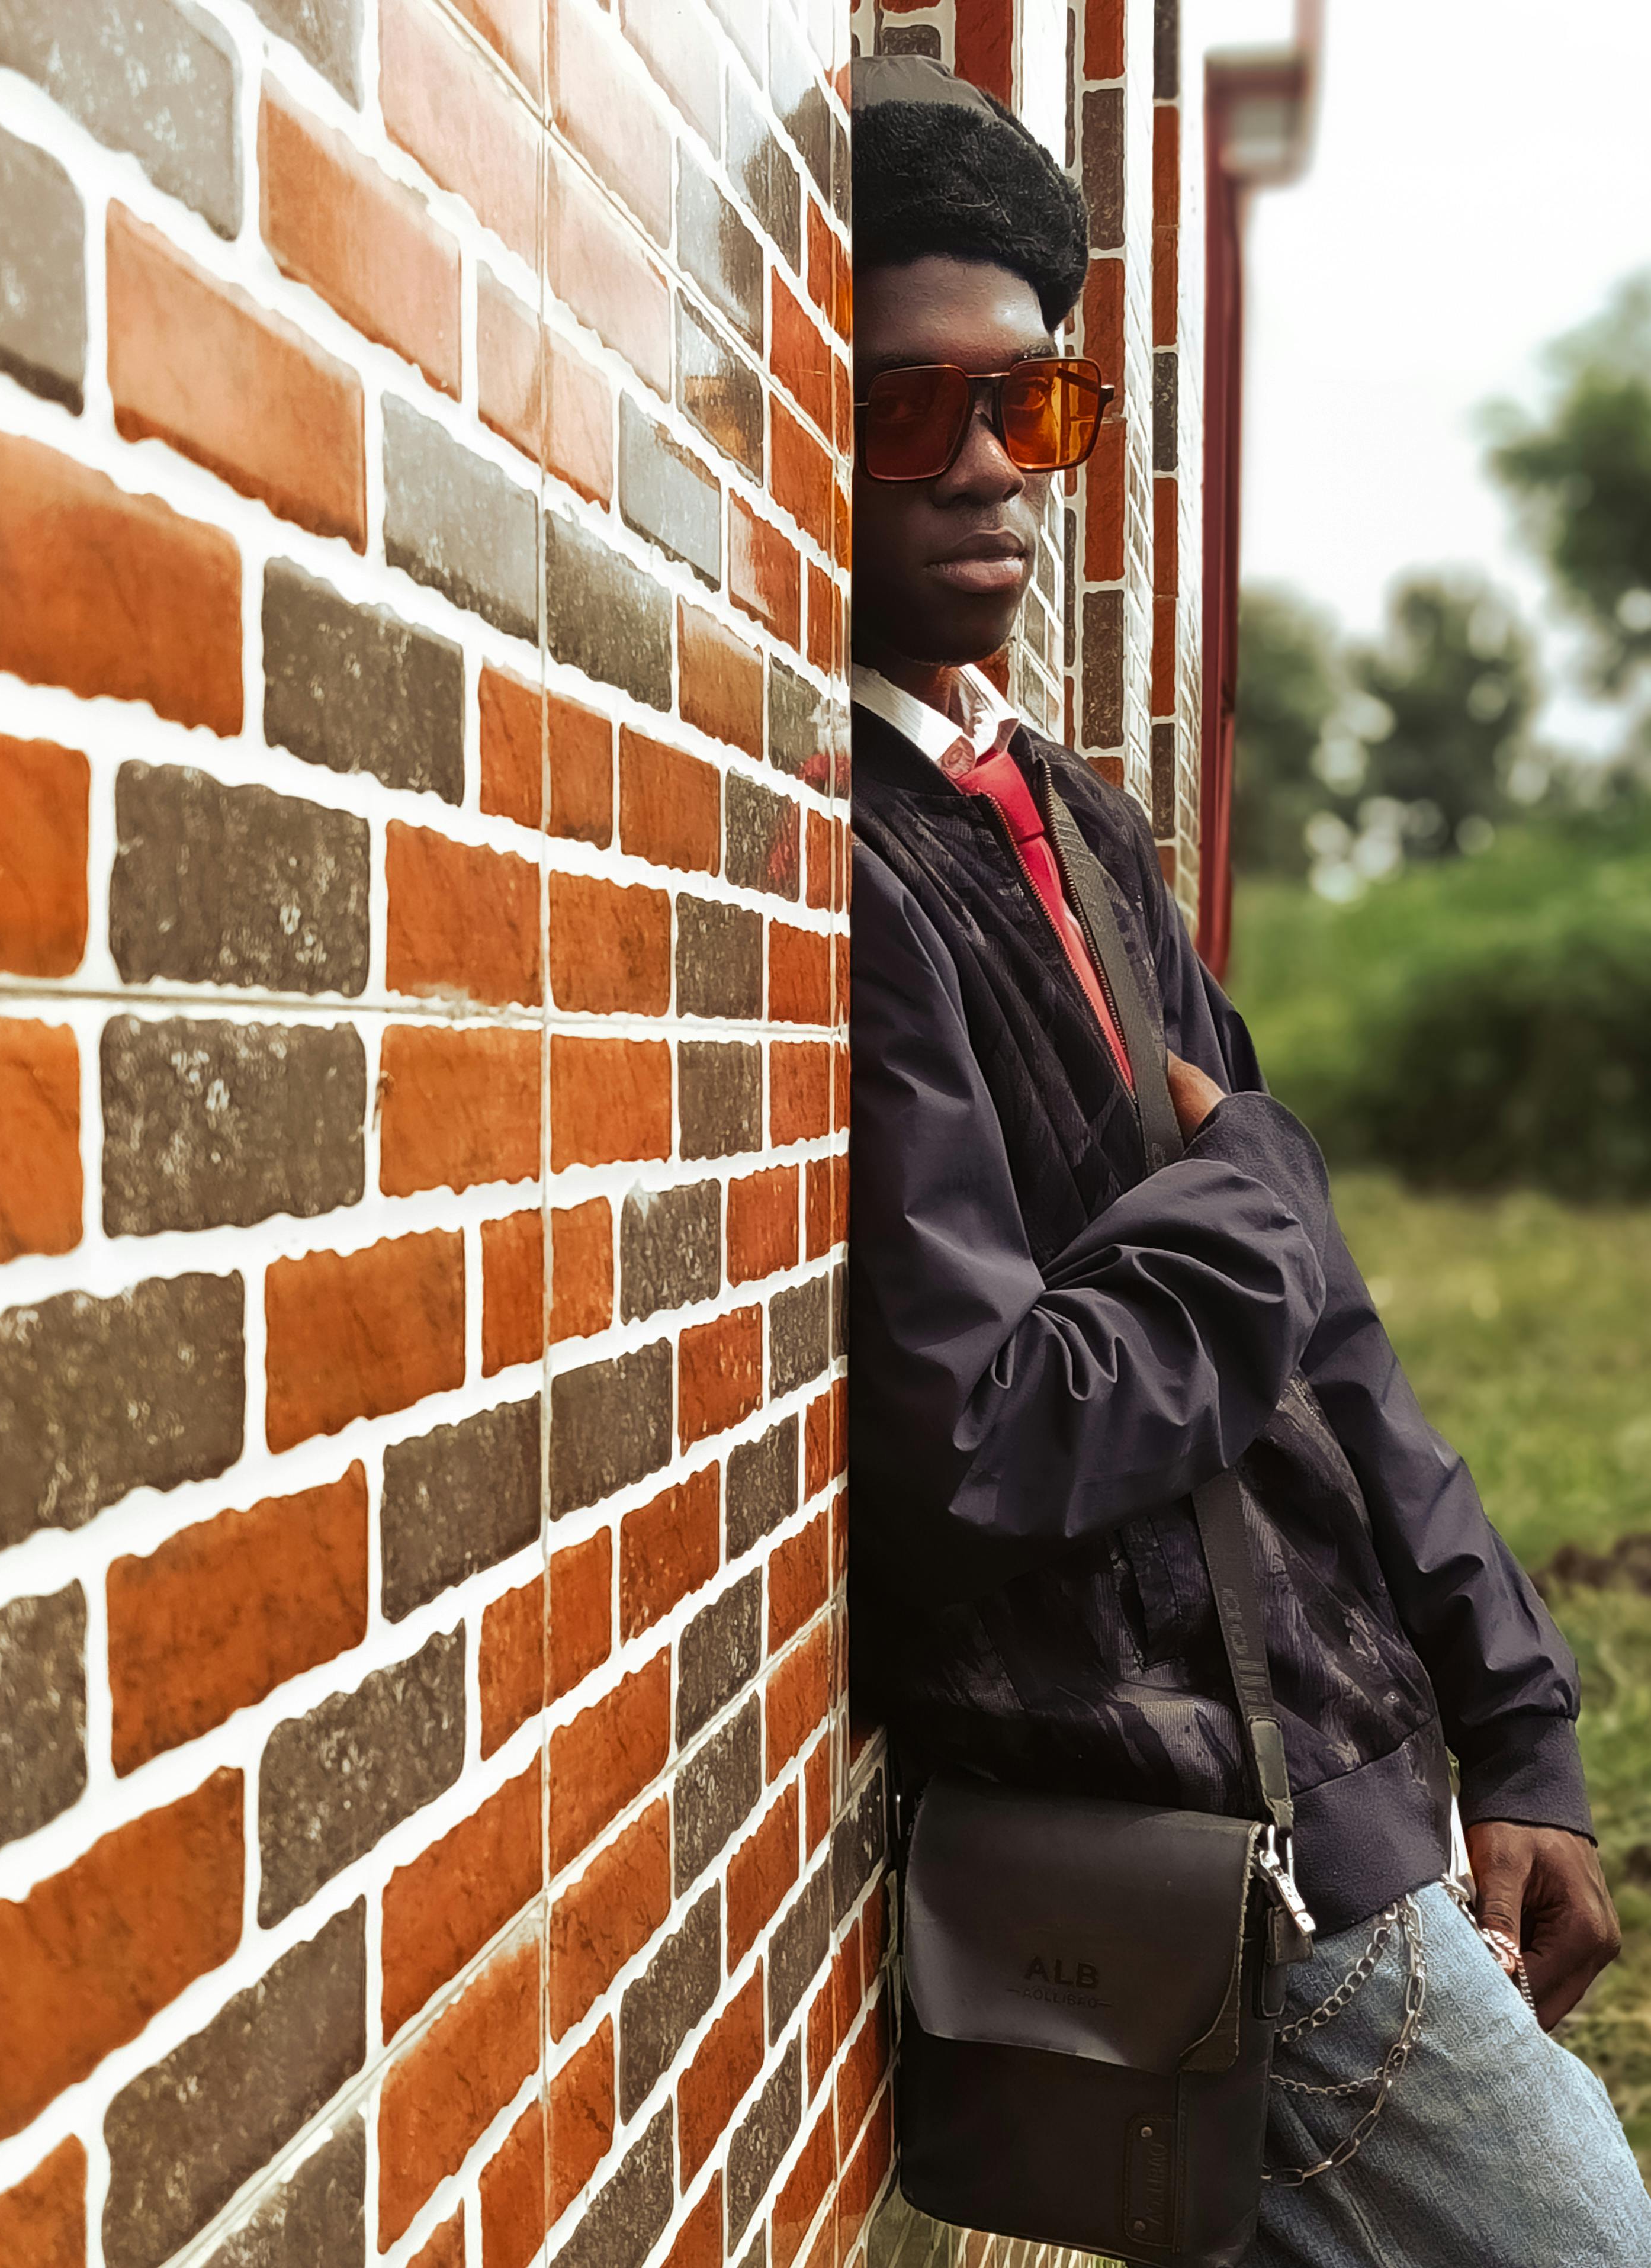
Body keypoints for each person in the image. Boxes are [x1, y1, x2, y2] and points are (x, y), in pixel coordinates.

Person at [846, 54, 1651, 2265]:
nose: (997, 466)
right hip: (1220, 1844)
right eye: (917, 410)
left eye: (1037, 405)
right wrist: (1258, 1178)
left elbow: (1327, 1340)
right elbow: (990, 1440)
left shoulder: (1084, 827)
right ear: (809, 435)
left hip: (1366, 1776)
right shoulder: (846, 876)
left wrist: (1513, 1724)